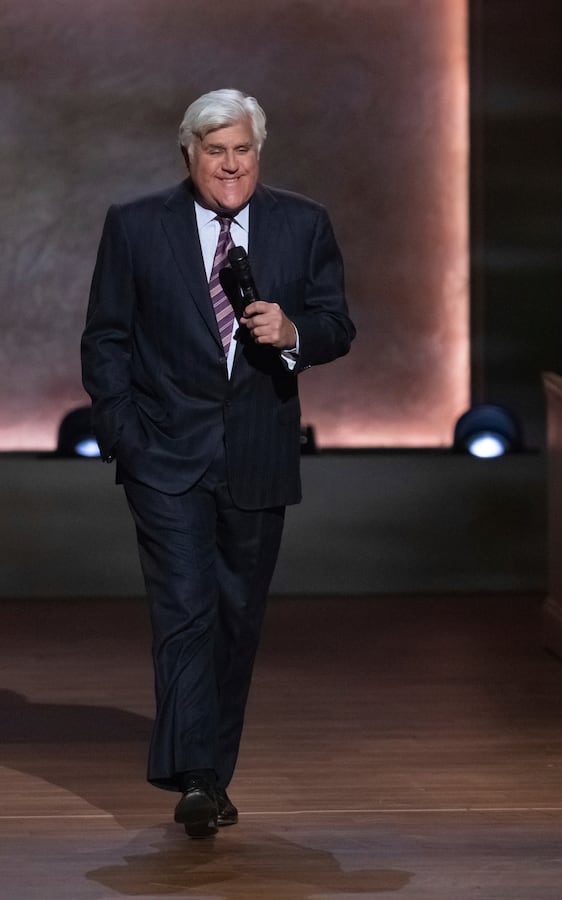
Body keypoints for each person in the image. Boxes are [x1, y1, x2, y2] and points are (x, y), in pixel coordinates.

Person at [81, 88, 355, 838]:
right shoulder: (137, 226)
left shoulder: (302, 224)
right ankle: (196, 779)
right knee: (184, 612)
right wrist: (125, 438)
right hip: (164, 456)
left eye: (241, 150)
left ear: (258, 153)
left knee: (236, 618)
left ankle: (210, 769)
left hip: (259, 457)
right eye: (214, 151)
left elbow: (338, 324)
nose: (229, 165)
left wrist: (294, 329)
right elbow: (106, 338)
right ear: (188, 156)